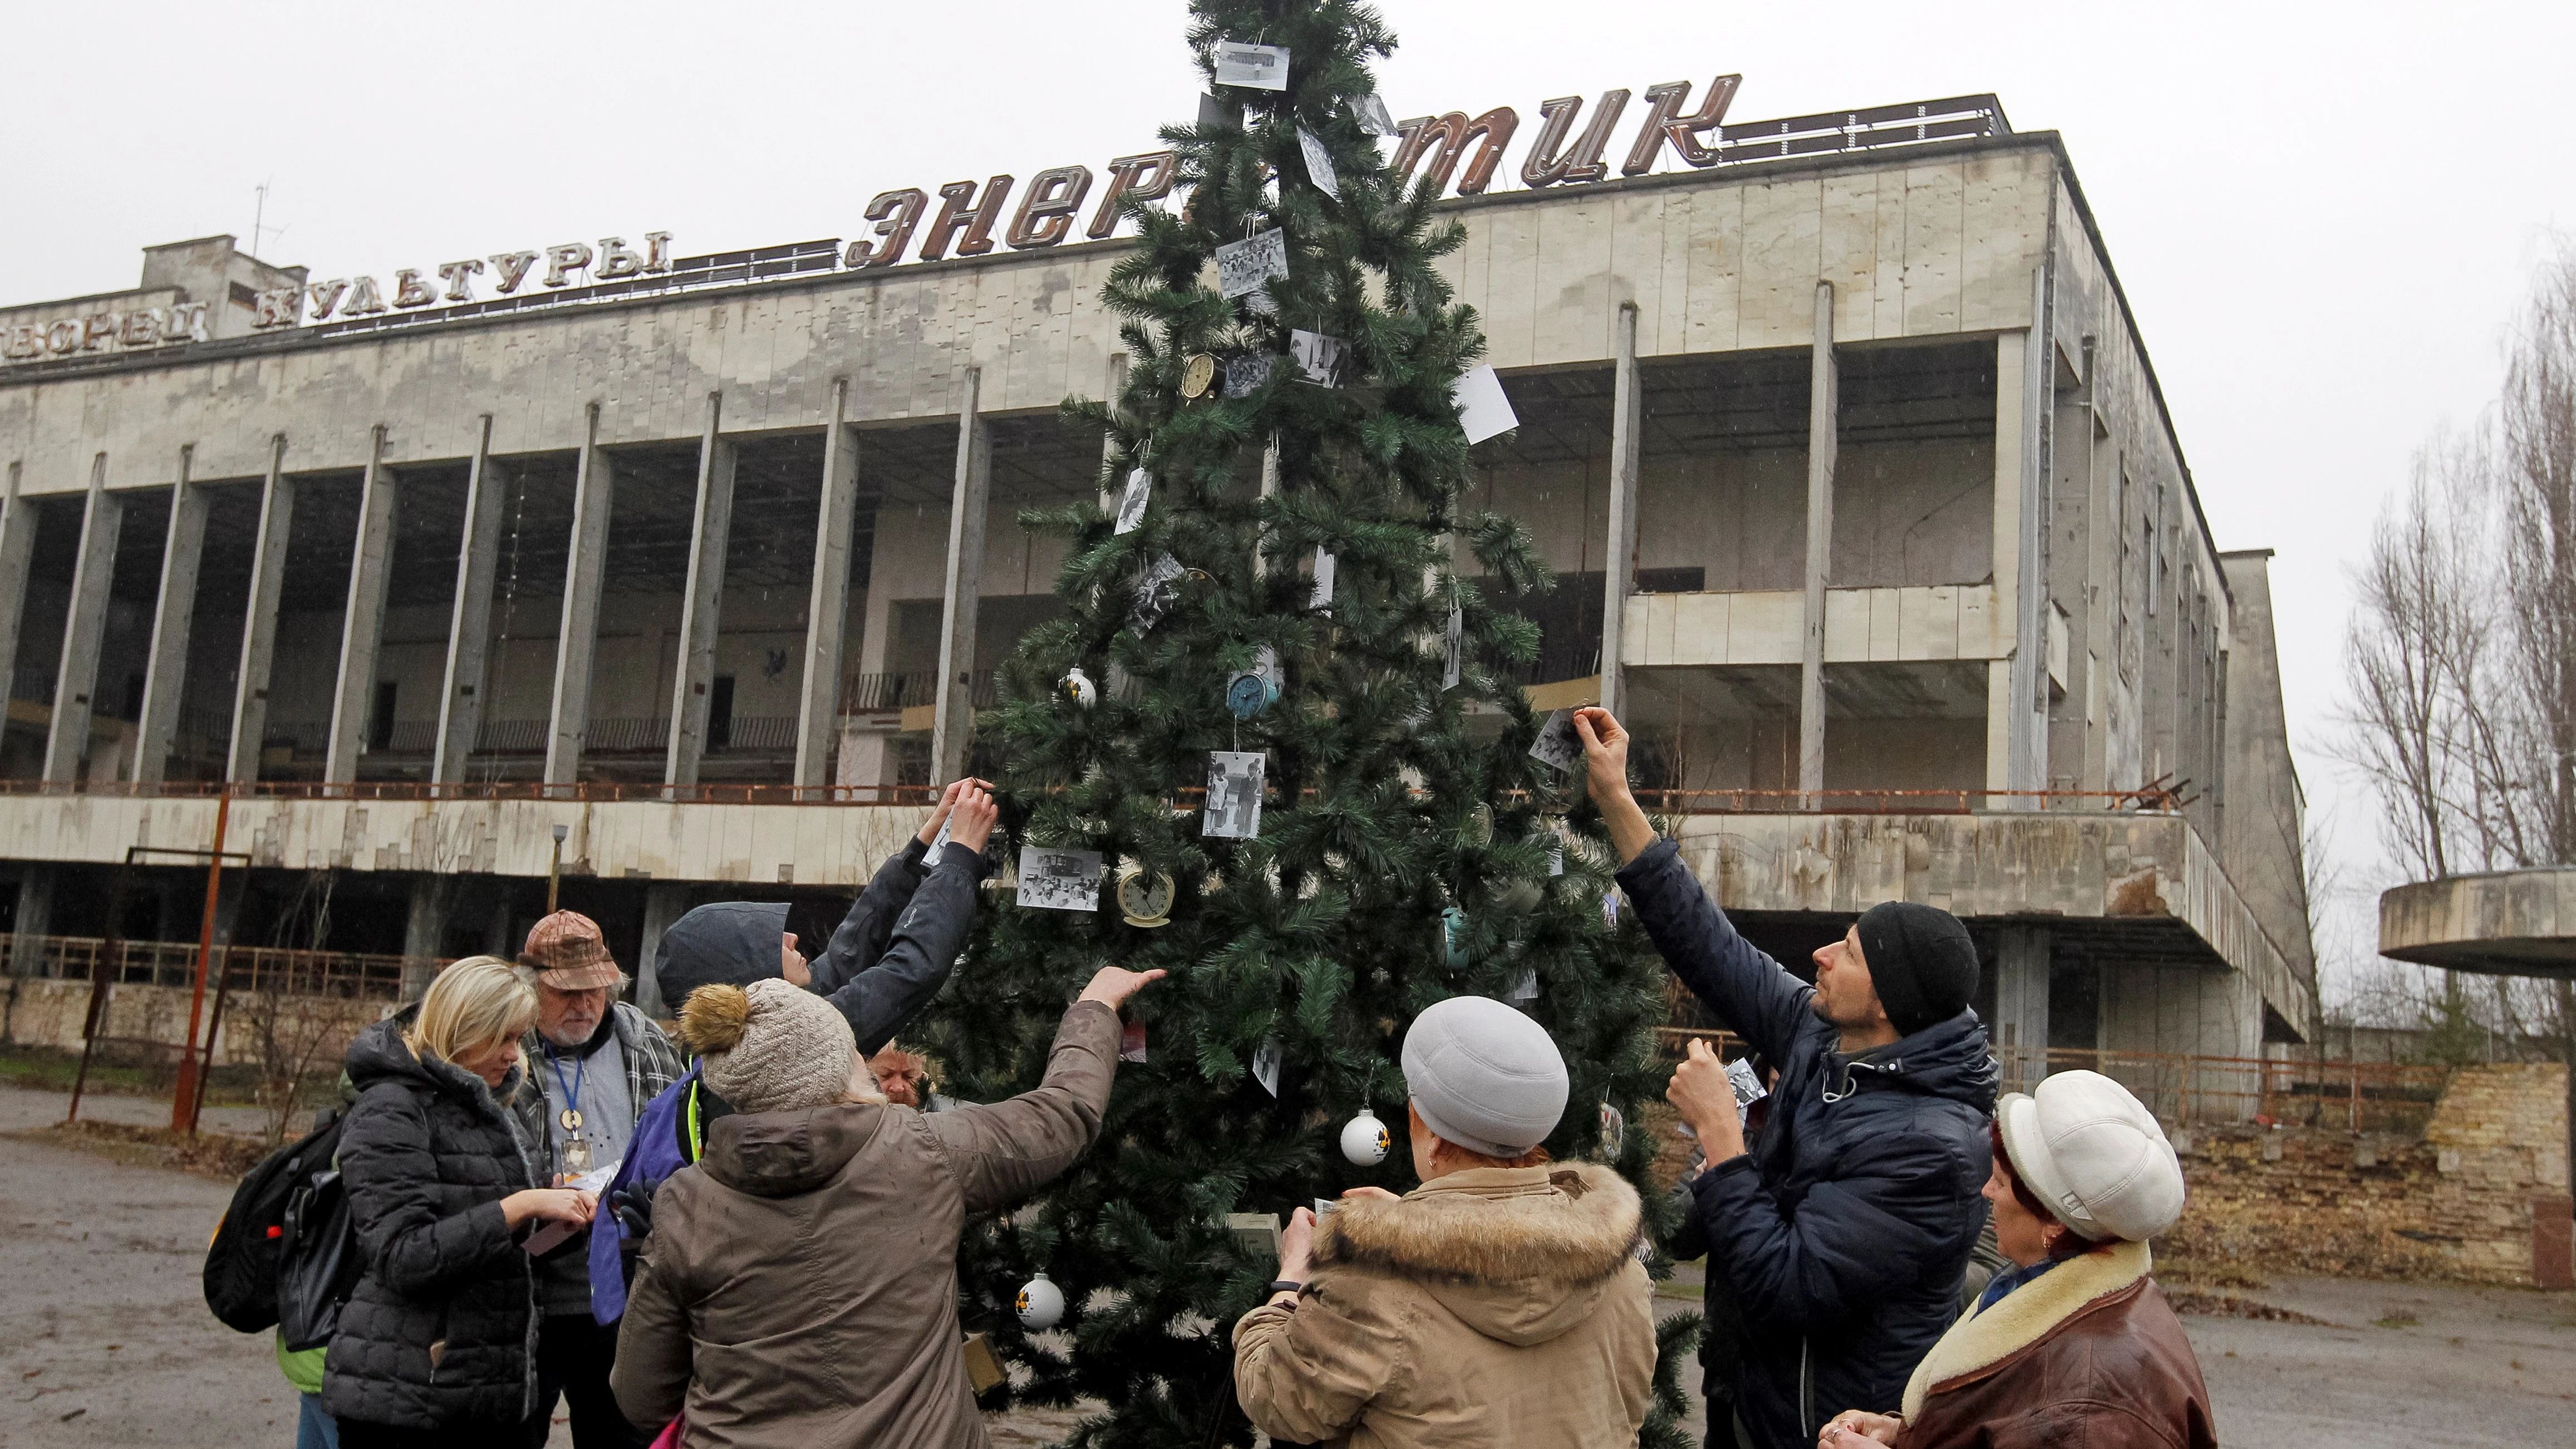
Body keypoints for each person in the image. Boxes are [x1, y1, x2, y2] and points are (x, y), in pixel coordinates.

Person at [1575, 706, 1996, 1449]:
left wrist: (1723, 1137)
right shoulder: (1821, 1034)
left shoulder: (1933, 1147)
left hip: (1829, 1434)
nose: (1824, 955)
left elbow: (1789, 1286)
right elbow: (1707, 942)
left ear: (1893, 1006)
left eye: (1854, 953)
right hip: (1749, 1410)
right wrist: (1616, 794)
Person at [609, 963, 1164, 1446]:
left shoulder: (685, 1202)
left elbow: (640, 1392)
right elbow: (1060, 1114)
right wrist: (1094, 1006)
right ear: (834, 1063)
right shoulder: (921, 1150)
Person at [586, 778, 1000, 1323]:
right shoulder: (786, 1054)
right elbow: (909, 970)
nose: (795, 942)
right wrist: (961, 860)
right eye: (772, 942)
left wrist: (924, 847)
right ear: (745, 980)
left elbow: (850, 950)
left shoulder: (744, 1043)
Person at [1232, 995, 1657, 1448]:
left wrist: (1290, 1282)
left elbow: (1281, 1402)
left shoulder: (1372, 1282)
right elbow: (1628, 1413)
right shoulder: (1620, 1267)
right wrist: (1421, 1227)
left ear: (1431, 1137)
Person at [1818, 1070, 2214, 1449]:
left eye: (2002, 1182)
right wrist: (1904, 1434)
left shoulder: (2087, 1410)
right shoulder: (2054, 1286)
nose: (1986, 1189)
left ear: (2055, 1223)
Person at [323, 957, 599, 1449]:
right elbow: (402, 1256)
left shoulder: (493, 1106)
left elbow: (507, 1250)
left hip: (488, 1391)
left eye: (519, 1039)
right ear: (461, 1028)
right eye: (503, 1039)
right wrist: (519, 1206)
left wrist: (562, 1219)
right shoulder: (391, 1108)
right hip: (408, 1400)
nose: (515, 1056)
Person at [509, 912, 686, 1448]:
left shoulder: (647, 1041)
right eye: (566, 993)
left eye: (596, 989)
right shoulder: (502, 1046)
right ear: (529, 988)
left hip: (622, 1299)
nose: (585, 1004)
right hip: (529, 1300)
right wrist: (544, 1188)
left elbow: (677, 1139)